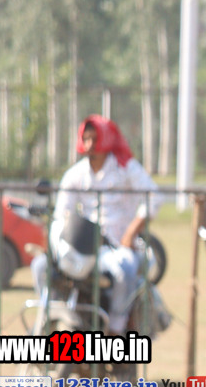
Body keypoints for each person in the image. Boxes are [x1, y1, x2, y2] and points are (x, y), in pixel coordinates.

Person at [32, 116, 161, 334]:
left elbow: (155, 198)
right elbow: (62, 213)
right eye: (86, 139)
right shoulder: (76, 174)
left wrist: (131, 232)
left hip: (115, 246)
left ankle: (116, 328)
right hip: (83, 247)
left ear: (107, 139)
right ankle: (53, 317)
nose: (90, 144)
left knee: (125, 270)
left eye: (95, 138)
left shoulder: (126, 169)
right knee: (40, 266)